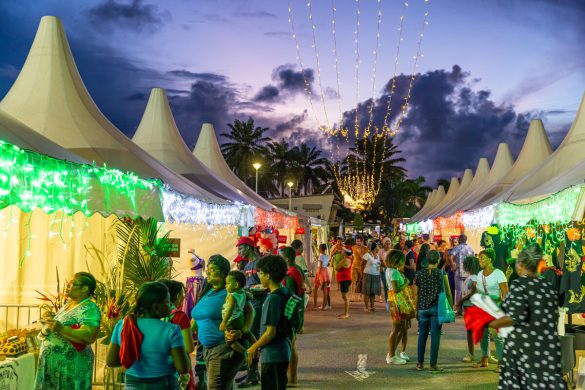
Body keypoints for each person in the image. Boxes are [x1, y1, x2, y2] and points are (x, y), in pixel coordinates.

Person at [488, 244, 566, 389]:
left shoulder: (519, 285)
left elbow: (513, 317)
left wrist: (490, 323)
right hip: (547, 349)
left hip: (524, 350)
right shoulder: (547, 285)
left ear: (521, 264)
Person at [107, 281, 191, 389]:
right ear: (156, 306)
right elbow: (183, 368)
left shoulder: (123, 326)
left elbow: (111, 361)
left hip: (132, 385)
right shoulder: (171, 330)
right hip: (164, 385)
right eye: (168, 302)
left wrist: (131, 355)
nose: (170, 305)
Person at [191, 255, 254, 390]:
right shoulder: (207, 292)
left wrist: (242, 330)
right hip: (208, 350)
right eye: (208, 268)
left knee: (215, 386)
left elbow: (250, 311)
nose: (208, 272)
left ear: (224, 272)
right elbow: (195, 319)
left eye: (213, 269)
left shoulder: (232, 291)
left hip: (224, 349)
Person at [35, 272, 101, 390]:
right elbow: (67, 322)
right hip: (54, 366)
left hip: (70, 367)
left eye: (72, 283)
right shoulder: (69, 304)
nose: (68, 286)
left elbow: (89, 335)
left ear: (85, 288)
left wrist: (61, 328)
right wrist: (53, 318)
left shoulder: (90, 308)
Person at [247, 255, 292, 390]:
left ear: (267, 276)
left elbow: (270, 333)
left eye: (260, 273)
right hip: (284, 349)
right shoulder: (285, 291)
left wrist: (253, 347)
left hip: (273, 355)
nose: (259, 276)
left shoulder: (272, 299)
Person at [414, 250, 453, 372]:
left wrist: (416, 309)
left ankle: (419, 364)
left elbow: (416, 294)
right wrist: (450, 307)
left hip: (422, 308)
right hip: (436, 309)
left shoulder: (419, 274)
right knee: (435, 337)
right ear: (438, 260)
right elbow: (448, 292)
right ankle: (433, 365)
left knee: (422, 336)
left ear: (427, 259)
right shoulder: (442, 273)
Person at [238, 237, 265, 387]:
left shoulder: (259, 263)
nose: (239, 252)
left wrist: (250, 290)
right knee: (249, 340)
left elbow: (265, 285)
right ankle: (250, 371)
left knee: (253, 339)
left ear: (248, 247)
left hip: (259, 306)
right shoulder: (247, 264)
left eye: (241, 248)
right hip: (250, 306)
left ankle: (253, 373)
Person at [474, 248, 507, 371]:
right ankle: (484, 359)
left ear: (490, 259)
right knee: (483, 334)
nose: (480, 260)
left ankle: (501, 362)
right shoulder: (479, 274)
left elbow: (505, 293)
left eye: (482, 258)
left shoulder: (499, 274)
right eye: (479, 258)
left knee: (497, 335)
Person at [160, 279, 196, 390]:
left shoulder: (154, 313)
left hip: (159, 364)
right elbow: (189, 347)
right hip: (179, 364)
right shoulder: (179, 316)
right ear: (177, 295)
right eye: (182, 293)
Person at [279, 246, 306, 387]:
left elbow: (289, 295)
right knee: (291, 343)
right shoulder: (296, 270)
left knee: (291, 344)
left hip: (291, 312)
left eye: (280, 256)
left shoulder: (290, 274)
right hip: (297, 310)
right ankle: (292, 378)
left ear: (287, 258)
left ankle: (293, 379)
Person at [219, 271, 257, 354]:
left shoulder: (232, 296)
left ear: (236, 285)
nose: (225, 286)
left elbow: (230, 309)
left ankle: (245, 352)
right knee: (247, 333)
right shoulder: (242, 292)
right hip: (240, 318)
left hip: (232, 320)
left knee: (229, 340)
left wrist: (224, 322)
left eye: (228, 284)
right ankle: (256, 346)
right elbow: (250, 295)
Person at [385, 250, 411, 365]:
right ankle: (391, 355)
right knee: (396, 329)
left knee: (400, 328)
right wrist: (406, 282)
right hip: (397, 301)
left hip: (393, 300)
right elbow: (396, 289)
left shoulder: (388, 270)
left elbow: (389, 287)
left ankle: (392, 353)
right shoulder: (394, 272)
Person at [454, 256, 480, 363]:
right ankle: (472, 353)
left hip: (472, 306)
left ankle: (472, 353)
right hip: (469, 306)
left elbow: (473, 291)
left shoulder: (474, 278)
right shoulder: (471, 277)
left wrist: (460, 301)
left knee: (471, 331)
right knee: (471, 330)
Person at [449, 234, 474, 312]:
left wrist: (453, 266)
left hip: (458, 271)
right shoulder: (470, 248)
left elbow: (450, 257)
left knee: (459, 290)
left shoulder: (457, 247)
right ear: (466, 240)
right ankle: (466, 308)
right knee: (467, 290)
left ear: (459, 240)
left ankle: (458, 308)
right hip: (468, 272)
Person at [362, 242, 382, 312]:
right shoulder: (367, 255)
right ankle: (366, 307)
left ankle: (372, 306)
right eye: (377, 247)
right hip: (368, 275)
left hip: (376, 275)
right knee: (367, 292)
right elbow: (362, 264)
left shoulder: (378, 256)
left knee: (373, 292)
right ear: (374, 248)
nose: (378, 248)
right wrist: (362, 274)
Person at [335, 247, 353, 319]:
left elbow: (337, 267)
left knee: (345, 298)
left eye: (342, 250)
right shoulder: (348, 258)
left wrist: (338, 263)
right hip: (346, 279)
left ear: (345, 252)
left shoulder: (345, 259)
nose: (341, 251)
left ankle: (346, 314)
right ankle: (345, 313)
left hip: (344, 280)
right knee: (345, 297)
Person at [313, 243, 331, 310]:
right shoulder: (328, 256)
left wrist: (317, 277)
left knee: (315, 289)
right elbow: (327, 264)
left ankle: (315, 306)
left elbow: (320, 266)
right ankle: (323, 306)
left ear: (320, 249)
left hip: (320, 271)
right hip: (325, 271)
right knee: (325, 290)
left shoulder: (321, 256)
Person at [350, 236, 368, 302]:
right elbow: (352, 256)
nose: (357, 242)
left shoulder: (365, 248)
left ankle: (360, 296)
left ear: (362, 241)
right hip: (354, 266)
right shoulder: (353, 247)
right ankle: (352, 296)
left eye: (359, 241)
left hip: (362, 267)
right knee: (353, 281)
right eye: (356, 241)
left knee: (361, 281)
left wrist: (360, 254)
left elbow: (365, 259)